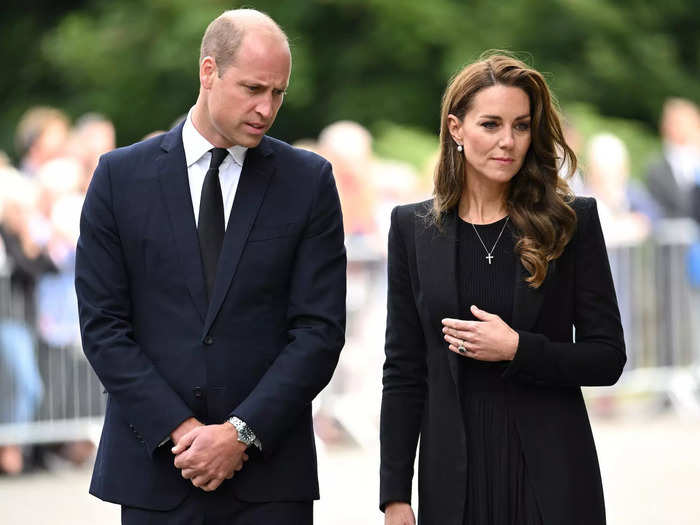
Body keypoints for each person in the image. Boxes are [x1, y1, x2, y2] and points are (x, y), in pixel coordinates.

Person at [75, 9, 346, 524]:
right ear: (208, 71)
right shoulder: (119, 177)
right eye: (252, 88)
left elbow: (319, 330)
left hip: (270, 480)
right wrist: (183, 433)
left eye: (278, 93)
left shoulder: (308, 181)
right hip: (156, 470)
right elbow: (103, 327)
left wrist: (240, 433)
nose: (265, 108)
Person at [379, 54, 626, 525]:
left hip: (550, 476)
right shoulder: (411, 228)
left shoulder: (571, 223)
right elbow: (404, 371)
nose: (507, 142)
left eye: (521, 126)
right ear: (456, 128)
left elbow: (608, 357)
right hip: (454, 481)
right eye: (490, 124)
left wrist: (518, 348)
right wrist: (394, 496)